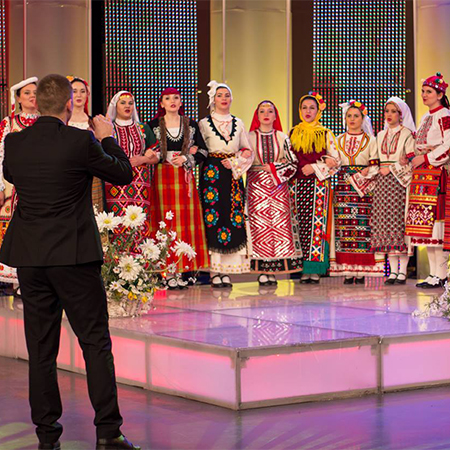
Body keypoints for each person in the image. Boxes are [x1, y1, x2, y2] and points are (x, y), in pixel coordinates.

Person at [0, 74, 139, 450]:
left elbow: (12, 175)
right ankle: (108, 433)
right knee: (94, 342)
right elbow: (123, 174)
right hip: (74, 256)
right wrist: (107, 135)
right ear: (67, 105)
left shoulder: (15, 142)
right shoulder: (81, 140)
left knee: (40, 350)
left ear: (38, 105)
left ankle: (47, 437)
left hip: (30, 257)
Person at [145, 87, 209, 289]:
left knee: (183, 223)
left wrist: (187, 158)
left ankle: (183, 270)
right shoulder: (153, 125)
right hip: (162, 178)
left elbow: (204, 152)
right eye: (167, 98)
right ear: (161, 103)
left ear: (181, 102)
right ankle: (166, 270)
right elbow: (147, 151)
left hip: (184, 179)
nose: (172, 101)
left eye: (176, 98)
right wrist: (161, 157)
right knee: (164, 222)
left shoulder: (191, 125)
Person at [198, 80, 254, 288]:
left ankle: (228, 271)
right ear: (213, 99)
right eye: (220, 95)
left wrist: (235, 162)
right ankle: (215, 270)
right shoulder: (204, 123)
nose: (224, 99)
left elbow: (247, 150)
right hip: (212, 174)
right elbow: (200, 149)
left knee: (233, 216)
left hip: (232, 174)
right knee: (213, 216)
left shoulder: (238, 123)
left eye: (227, 95)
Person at [247, 100, 302, 285]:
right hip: (256, 187)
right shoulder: (249, 137)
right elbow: (243, 159)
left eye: (270, 111)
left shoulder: (282, 137)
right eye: (262, 111)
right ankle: (262, 270)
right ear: (257, 115)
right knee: (259, 227)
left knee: (277, 228)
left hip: (278, 187)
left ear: (275, 116)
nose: (266, 114)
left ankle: (275, 268)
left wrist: (274, 167)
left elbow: (293, 163)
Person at [329, 100, 384, 283]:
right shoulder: (338, 140)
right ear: (345, 118)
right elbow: (334, 163)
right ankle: (347, 270)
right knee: (344, 228)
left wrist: (368, 170)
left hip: (364, 188)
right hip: (344, 187)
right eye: (349, 116)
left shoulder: (371, 140)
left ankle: (361, 271)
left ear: (363, 118)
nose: (352, 119)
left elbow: (375, 163)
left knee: (363, 226)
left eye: (356, 116)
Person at [289, 91, 340, 284]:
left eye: (312, 108)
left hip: (318, 186)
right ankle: (302, 268)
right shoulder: (293, 132)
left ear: (319, 110)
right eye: (304, 107)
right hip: (295, 186)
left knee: (316, 227)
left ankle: (315, 268)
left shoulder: (326, 133)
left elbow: (336, 162)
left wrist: (315, 167)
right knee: (298, 226)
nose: (308, 111)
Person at [406, 73, 450, 288]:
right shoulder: (426, 117)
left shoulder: (444, 116)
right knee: (427, 228)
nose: (424, 95)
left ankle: (440, 274)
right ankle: (433, 274)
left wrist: (427, 157)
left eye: (428, 92)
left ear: (440, 94)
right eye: (423, 91)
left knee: (437, 226)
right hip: (423, 175)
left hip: (437, 175)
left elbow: (448, 145)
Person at [371, 97, 415, 285]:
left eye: (393, 111)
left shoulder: (407, 134)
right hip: (382, 184)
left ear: (401, 114)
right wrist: (377, 169)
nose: (389, 115)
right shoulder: (380, 135)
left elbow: (410, 159)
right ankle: (392, 272)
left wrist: (392, 168)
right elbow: (374, 158)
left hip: (399, 183)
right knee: (384, 225)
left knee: (399, 224)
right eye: (387, 111)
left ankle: (402, 271)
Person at [0, 76, 39, 289]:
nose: (32, 97)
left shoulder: (46, 122)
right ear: (19, 99)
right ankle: (12, 280)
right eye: (27, 93)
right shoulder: (9, 123)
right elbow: (0, 156)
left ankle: (31, 280)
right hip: (12, 187)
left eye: (35, 93)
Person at [104, 91, 156, 250]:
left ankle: (140, 263)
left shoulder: (143, 128)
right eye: (123, 102)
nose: (127, 106)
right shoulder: (108, 129)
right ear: (115, 106)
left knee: (140, 220)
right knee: (117, 221)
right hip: (115, 182)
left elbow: (157, 156)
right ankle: (118, 264)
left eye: (130, 103)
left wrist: (143, 159)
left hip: (140, 183)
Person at [67, 75, 104, 212]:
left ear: (87, 94)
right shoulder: (64, 122)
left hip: (92, 175)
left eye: (82, 91)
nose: (78, 95)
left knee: (93, 212)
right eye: (74, 91)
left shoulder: (95, 122)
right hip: (69, 173)